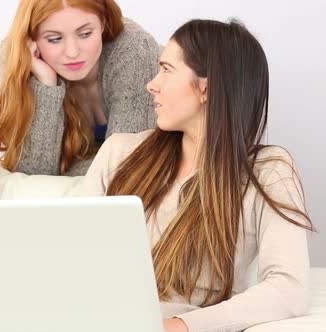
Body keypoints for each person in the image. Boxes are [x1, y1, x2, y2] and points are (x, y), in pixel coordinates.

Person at [76, 19, 314, 332]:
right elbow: (72, 258)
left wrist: (180, 325)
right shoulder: (120, 152)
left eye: (166, 69)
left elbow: (288, 288)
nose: (152, 84)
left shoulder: (269, 171)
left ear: (206, 87)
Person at [0, 0, 159, 176]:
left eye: (85, 34)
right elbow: (32, 173)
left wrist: (67, 173)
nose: (72, 52)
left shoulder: (135, 51)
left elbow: (127, 168)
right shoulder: (21, 58)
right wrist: (46, 83)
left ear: (103, 22)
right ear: (33, 39)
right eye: (54, 39)